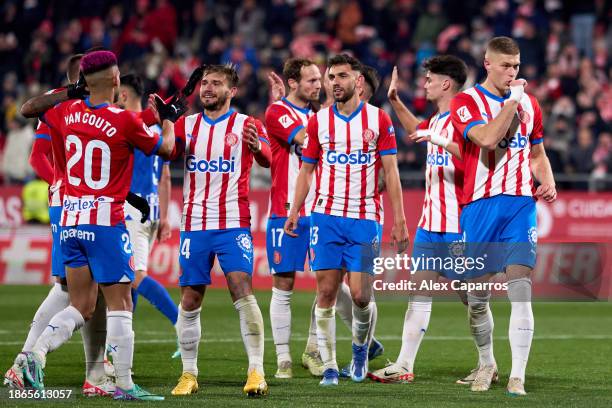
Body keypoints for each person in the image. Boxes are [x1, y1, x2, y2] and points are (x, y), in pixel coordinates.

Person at [20, 50, 180, 401]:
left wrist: (69, 92)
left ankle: (34, 355)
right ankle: (123, 383)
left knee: (80, 305)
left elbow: (27, 109)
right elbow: (167, 150)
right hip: (106, 223)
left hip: (71, 224)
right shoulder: (123, 120)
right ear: (116, 81)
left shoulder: (63, 112)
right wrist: (167, 119)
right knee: (121, 302)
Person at [369, 57, 498, 386]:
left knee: (472, 298)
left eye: (429, 79)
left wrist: (440, 142)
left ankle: (488, 363)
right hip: (431, 224)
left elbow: (477, 153)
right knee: (419, 291)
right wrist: (395, 101)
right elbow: (417, 132)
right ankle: (404, 364)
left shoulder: (467, 115)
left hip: (459, 225)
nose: (423, 83)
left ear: (446, 84)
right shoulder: (440, 119)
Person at [284, 54, 410, 386]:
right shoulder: (318, 122)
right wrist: (295, 210)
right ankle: (328, 365)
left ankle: (359, 350)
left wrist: (400, 221)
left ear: (357, 81)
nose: (335, 82)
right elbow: (306, 171)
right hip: (325, 217)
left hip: (365, 218)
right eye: (331, 77)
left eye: (341, 76)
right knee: (325, 292)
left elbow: (392, 173)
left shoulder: (378, 120)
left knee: (360, 296)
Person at [4, 54, 117, 397]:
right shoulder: (63, 104)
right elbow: (38, 156)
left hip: (80, 202)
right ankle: (28, 359)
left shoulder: (78, 105)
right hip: (72, 203)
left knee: (80, 291)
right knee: (74, 290)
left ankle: (91, 375)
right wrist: (63, 182)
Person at [450, 36, 557, 396]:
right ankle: (487, 362)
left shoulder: (530, 103)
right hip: (480, 207)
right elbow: (487, 139)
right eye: (506, 66)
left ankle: (518, 377)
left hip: (519, 206)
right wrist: (512, 102)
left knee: (520, 288)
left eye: (517, 66)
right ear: (488, 64)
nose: (513, 72)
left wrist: (548, 179)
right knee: (476, 297)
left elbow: (537, 153)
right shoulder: (466, 102)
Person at [164, 64, 272, 397]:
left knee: (241, 287)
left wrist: (256, 148)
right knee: (190, 297)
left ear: (232, 91)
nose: (208, 88)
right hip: (195, 225)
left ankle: (256, 371)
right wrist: (167, 118)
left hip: (232, 223)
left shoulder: (248, 124)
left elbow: (269, 158)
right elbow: (168, 151)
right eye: (206, 83)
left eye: (216, 83)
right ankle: (189, 374)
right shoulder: (188, 124)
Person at [264, 58, 323, 379]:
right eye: (311, 80)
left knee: (328, 285)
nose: (318, 85)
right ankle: (283, 357)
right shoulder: (278, 112)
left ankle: (313, 348)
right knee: (283, 286)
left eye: (319, 80)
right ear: (293, 83)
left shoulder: (319, 115)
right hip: (286, 210)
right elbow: (307, 140)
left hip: (323, 209)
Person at [115, 73, 179, 357]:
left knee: (134, 276)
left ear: (124, 95)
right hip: (151, 212)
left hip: (132, 211)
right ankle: (121, 341)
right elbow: (165, 177)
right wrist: (164, 217)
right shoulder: (156, 133)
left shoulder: (128, 127)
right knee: (128, 282)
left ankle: (181, 324)